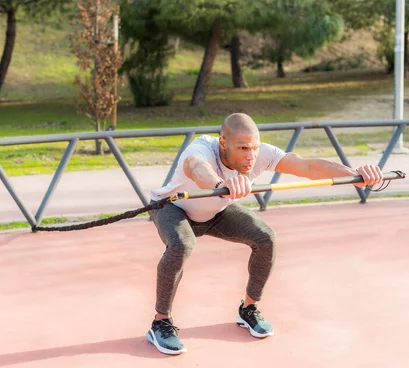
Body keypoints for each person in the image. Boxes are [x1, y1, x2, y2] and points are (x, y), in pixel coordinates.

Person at [146, 113, 383, 355]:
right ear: (223, 144)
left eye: (255, 148)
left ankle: (248, 309)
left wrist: (355, 175)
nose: (251, 156)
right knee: (182, 244)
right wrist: (220, 186)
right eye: (243, 148)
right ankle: (160, 322)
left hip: (216, 211)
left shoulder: (260, 155)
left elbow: (307, 165)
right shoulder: (201, 150)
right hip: (172, 208)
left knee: (265, 238)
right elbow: (196, 168)